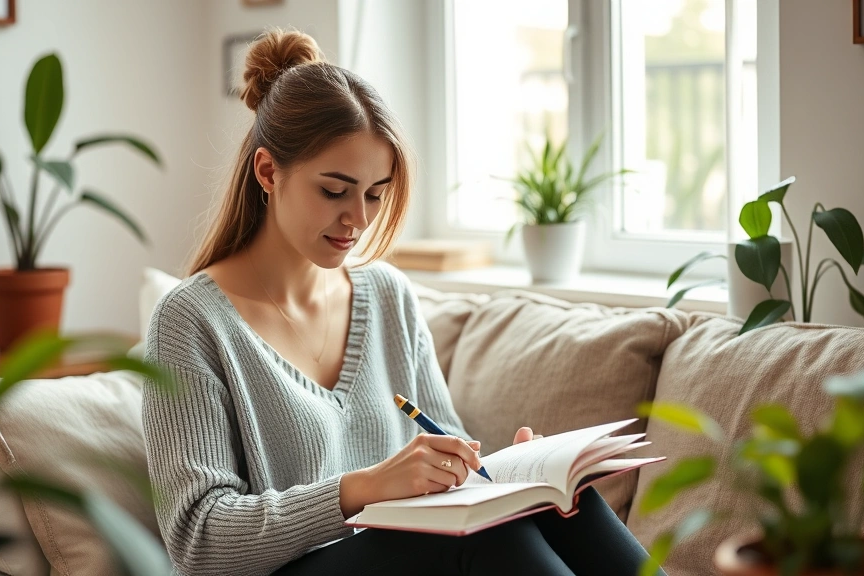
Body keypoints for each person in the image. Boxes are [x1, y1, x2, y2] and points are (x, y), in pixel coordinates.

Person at [142, 28, 664, 576]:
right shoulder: (190, 323)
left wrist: (510, 472)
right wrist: (362, 489)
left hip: (402, 557)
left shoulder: (387, 295)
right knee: (486, 543)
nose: (359, 220)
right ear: (269, 172)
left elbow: (443, 451)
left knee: (565, 503)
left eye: (374, 193)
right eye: (334, 190)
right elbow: (199, 539)